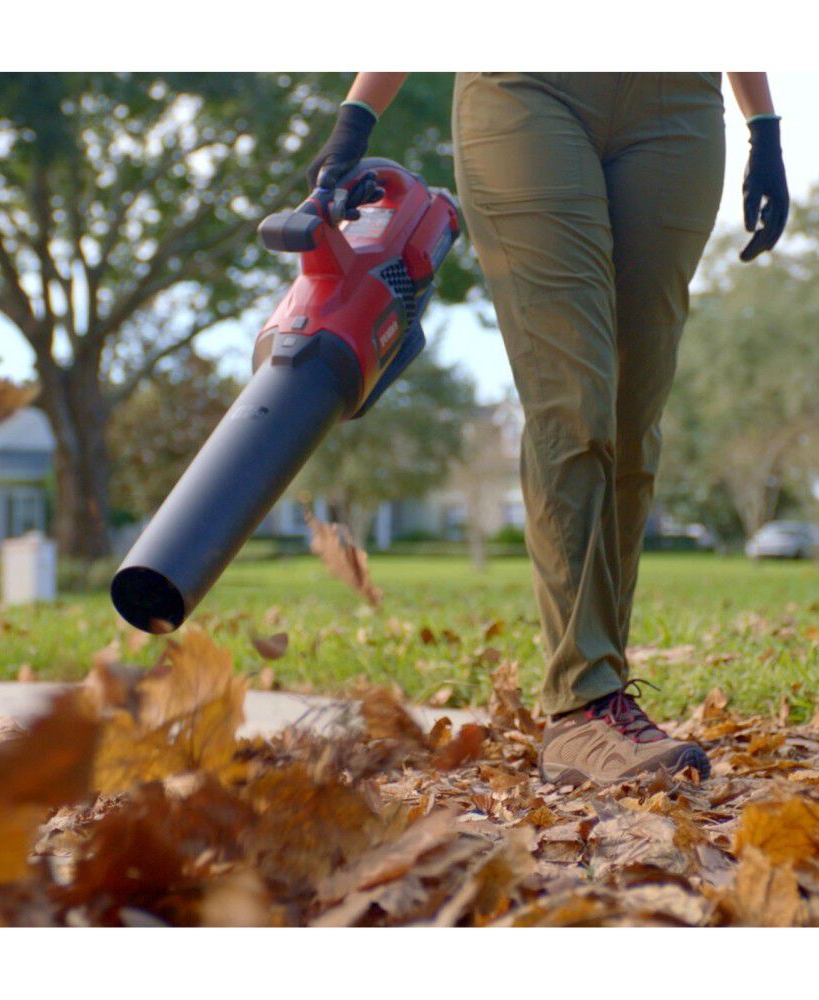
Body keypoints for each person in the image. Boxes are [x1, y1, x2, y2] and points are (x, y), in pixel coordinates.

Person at [306, 72, 789, 786]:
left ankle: (609, 698)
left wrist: (765, 125)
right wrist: (356, 116)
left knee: (633, 413)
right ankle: (581, 705)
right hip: (527, 86)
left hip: (677, 100)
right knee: (574, 400)